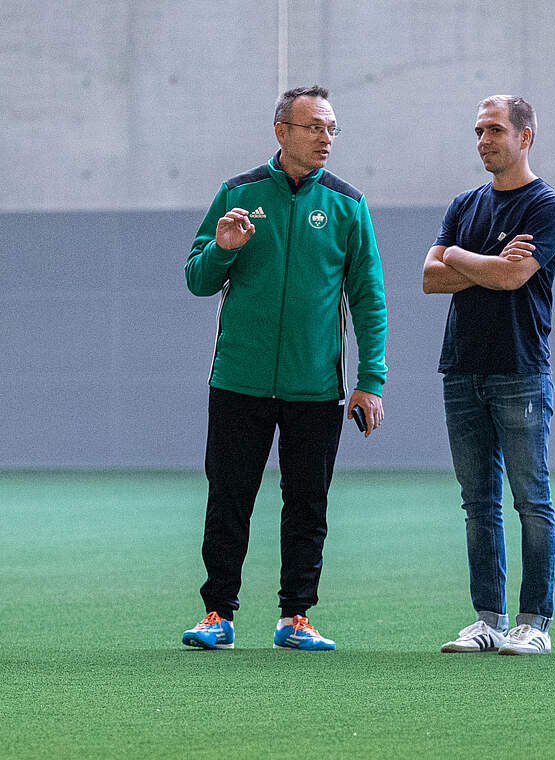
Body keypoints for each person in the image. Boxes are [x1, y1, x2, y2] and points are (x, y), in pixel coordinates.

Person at [181, 85, 388, 652]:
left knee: (307, 506)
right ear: (282, 132)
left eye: (331, 128)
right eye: (314, 127)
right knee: (228, 499)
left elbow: (369, 297)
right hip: (238, 382)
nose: (325, 138)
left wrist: (370, 381)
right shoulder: (238, 194)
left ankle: (296, 616)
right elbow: (197, 279)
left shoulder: (349, 205)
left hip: (317, 386)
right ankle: (217, 613)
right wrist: (223, 247)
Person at [421, 95, 555, 656]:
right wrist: (478, 257)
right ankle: (488, 620)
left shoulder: (546, 207)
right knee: (477, 502)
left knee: (531, 499)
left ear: (525, 136)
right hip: (461, 369)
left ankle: (533, 622)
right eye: (478, 131)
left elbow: (514, 280)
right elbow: (429, 279)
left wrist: (457, 258)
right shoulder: (465, 204)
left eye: (495, 130)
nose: (484, 140)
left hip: (519, 370)